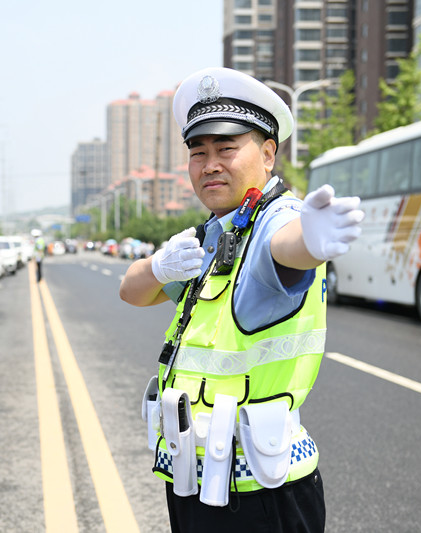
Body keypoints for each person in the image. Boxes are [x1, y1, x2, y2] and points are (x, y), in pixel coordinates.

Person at [119, 67, 364, 533]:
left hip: (262, 494)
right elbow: (130, 291)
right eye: (198, 152)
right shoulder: (214, 233)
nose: (210, 164)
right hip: (195, 482)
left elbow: (287, 248)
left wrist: (311, 240)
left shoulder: (274, 221)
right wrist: (157, 267)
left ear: (268, 154)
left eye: (226, 148)